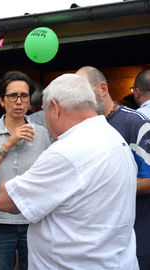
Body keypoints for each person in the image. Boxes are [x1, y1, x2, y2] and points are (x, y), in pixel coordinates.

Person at [0, 73, 139, 270]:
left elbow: (5, 200)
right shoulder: (114, 138)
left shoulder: (67, 151)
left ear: (54, 107)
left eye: (44, 111)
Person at [0, 70, 51, 270]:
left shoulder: (41, 133)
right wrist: (9, 142)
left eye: (24, 96)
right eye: (12, 96)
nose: (19, 101)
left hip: (34, 220)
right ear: (1, 100)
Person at [76, 66, 150, 270]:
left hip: (136, 238)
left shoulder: (135, 122)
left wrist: (102, 186)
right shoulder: (85, 127)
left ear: (102, 88)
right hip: (99, 244)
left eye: (83, 92)